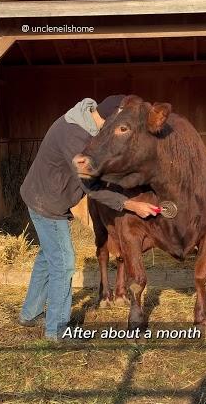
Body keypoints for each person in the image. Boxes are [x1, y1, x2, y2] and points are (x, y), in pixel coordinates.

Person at [19, 95, 159, 340]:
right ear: (109, 118)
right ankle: (57, 330)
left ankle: (30, 314)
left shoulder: (84, 123)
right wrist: (130, 204)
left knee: (47, 258)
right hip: (47, 205)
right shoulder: (75, 137)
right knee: (64, 263)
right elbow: (91, 187)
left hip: (42, 197)